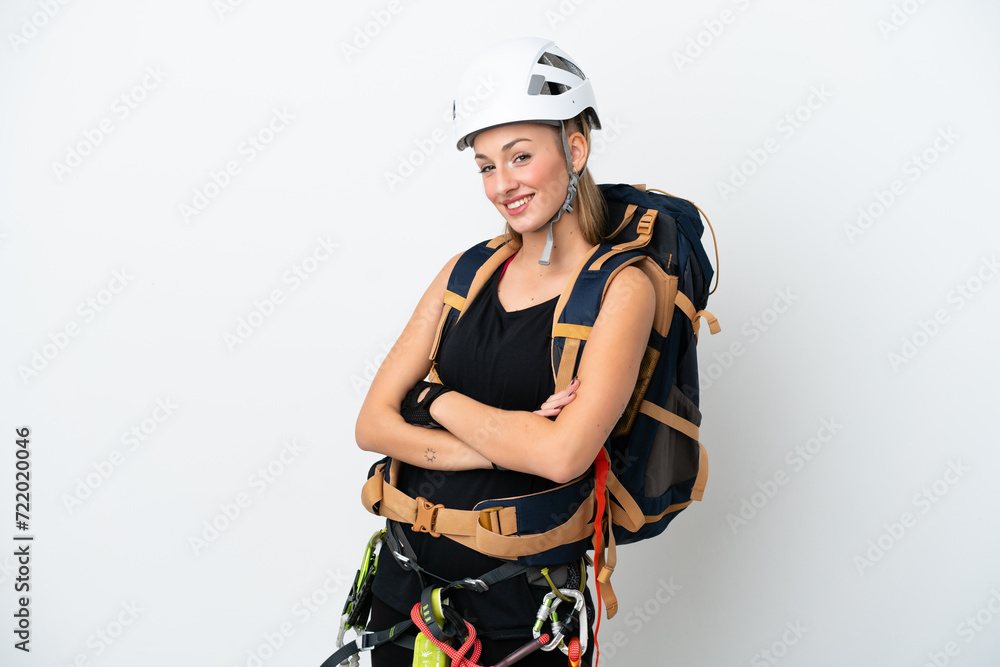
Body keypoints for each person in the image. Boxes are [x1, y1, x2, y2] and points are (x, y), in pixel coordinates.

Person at [355, 37, 655, 666]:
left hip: (521, 612)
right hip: (402, 593)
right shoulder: (467, 272)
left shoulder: (621, 292)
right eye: (487, 165)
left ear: (574, 149)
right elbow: (371, 424)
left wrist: (432, 399)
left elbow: (562, 454)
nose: (502, 185)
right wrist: (505, 440)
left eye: (520, 156)